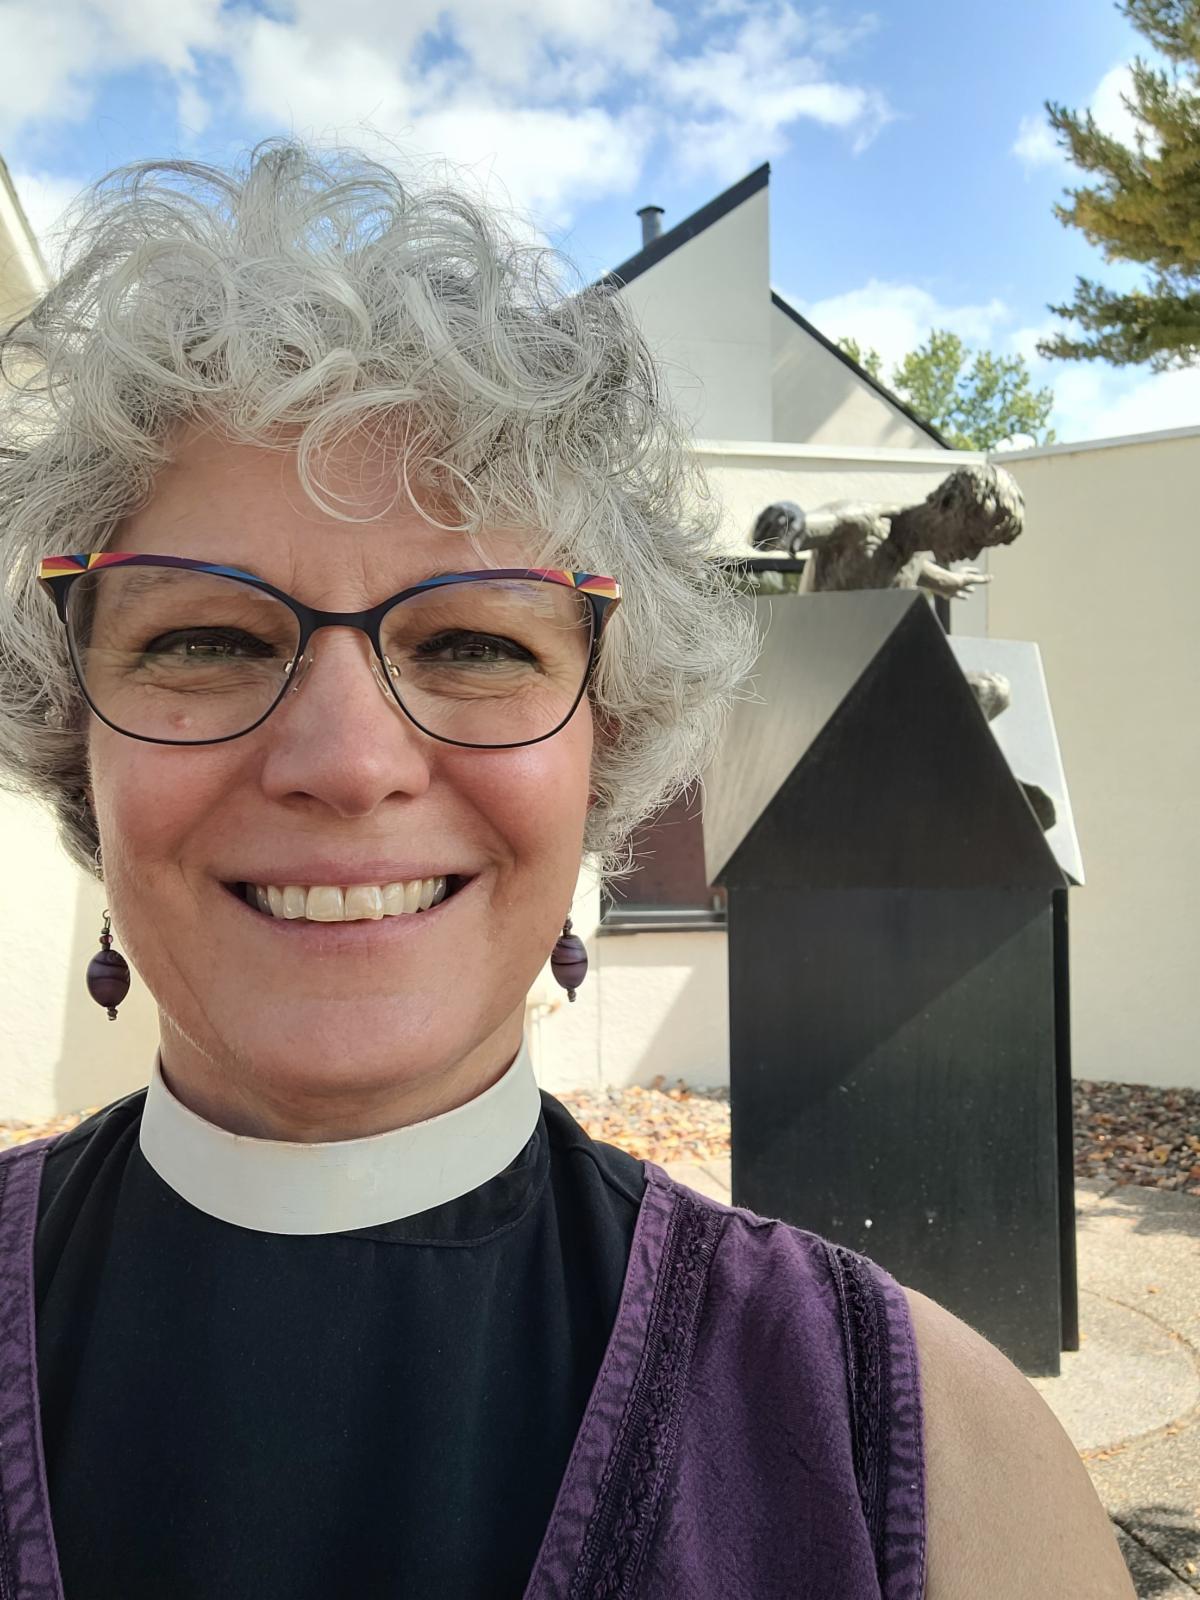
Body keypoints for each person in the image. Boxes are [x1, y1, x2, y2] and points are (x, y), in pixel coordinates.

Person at [0, 142, 1133, 1600]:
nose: (346, 761)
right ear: (73, 735)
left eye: (476, 642)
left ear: (609, 748)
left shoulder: (931, 1470)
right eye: (204, 639)